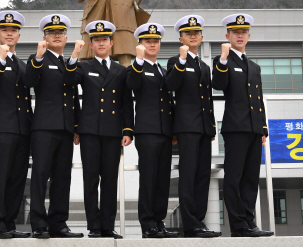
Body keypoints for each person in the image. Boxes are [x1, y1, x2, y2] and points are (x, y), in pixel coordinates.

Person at [64, 20, 134, 239]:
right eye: (96, 40)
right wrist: (74, 56)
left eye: (105, 39)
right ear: (91, 44)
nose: (101, 43)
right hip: (90, 131)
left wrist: (128, 129)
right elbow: (68, 82)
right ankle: (94, 226)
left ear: (111, 42)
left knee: (110, 180)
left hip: (113, 132)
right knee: (91, 179)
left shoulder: (121, 70)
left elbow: (126, 102)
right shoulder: (83, 66)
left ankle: (107, 226)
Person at [212, 14, 274, 238]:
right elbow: (218, 85)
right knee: (234, 177)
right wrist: (223, 58)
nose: (240, 35)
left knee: (250, 178)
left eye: (243, 32)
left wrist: (263, 128)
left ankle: (250, 222)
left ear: (248, 35)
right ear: (227, 35)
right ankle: (238, 225)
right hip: (235, 128)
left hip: (254, 129)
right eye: (235, 32)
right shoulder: (224, 61)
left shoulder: (254, 66)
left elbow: (258, 99)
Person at [24, 14, 83, 239]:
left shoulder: (69, 63)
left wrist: (76, 125)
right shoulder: (37, 58)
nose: (56, 36)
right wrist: (38, 58)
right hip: (44, 128)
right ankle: (39, 223)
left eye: (60, 33)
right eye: (51, 33)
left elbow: (73, 93)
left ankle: (58, 223)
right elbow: (29, 81)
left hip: (66, 129)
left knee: (62, 178)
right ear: (44, 37)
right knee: (40, 175)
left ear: (66, 37)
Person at [165, 15, 221, 238]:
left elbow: (207, 98)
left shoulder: (205, 66)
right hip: (186, 127)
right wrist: (181, 61)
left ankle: (199, 221)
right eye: (188, 33)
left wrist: (212, 127)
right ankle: (190, 223)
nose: (193, 36)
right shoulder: (174, 61)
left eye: (196, 33)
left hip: (203, 128)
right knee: (188, 176)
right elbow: (170, 85)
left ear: (202, 37)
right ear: (181, 38)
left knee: (202, 176)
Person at [0, 11, 31, 239]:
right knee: (0, 177)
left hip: (23, 128)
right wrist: (1, 60)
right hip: (2, 127)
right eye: (5, 30)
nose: (9, 34)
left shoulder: (22, 63)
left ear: (18, 35)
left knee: (17, 179)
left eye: (13, 30)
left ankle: (10, 223)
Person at [126, 23, 178, 239]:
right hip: (147, 132)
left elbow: (170, 102)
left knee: (162, 180)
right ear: (140, 44)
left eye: (156, 41)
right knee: (148, 179)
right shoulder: (136, 67)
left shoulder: (163, 70)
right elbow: (132, 84)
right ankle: (147, 224)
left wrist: (173, 129)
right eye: (148, 41)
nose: (153, 44)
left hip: (165, 132)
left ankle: (159, 221)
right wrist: (137, 60)